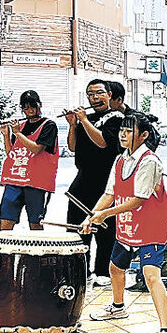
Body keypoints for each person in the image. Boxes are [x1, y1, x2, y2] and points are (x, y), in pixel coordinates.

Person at [85, 112, 167, 333]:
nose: (122, 134)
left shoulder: (150, 161)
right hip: (127, 227)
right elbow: (110, 194)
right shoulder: (119, 160)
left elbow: (138, 199)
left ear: (144, 135)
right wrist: (91, 215)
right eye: (121, 130)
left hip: (150, 229)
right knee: (115, 268)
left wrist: (104, 215)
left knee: (151, 276)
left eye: (129, 130)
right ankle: (118, 306)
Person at [64, 79, 124, 287]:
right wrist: (73, 125)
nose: (94, 98)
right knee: (77, 227)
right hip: (82, 181)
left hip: (105, 181)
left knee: (105, 228)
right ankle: (79, 270)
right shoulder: (84, 119)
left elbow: (103, 142)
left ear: (109, 95)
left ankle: (102, 272)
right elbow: (72, 147)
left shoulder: (117, 119)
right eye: (90, 94)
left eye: (99, 93)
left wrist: (84, 121)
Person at [0, 90, 58, 231]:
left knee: (35, 223)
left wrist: (17, 133)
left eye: (33, 106)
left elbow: (37, 149)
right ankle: (4, 253)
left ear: (39, 105)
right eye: (26, 107)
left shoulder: (49, 125)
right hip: (14, 179)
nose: (30, 110)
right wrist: (6, 135)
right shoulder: (20, 125)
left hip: (36, 182)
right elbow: (11, 154)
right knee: (5, 220)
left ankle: (37, 253)